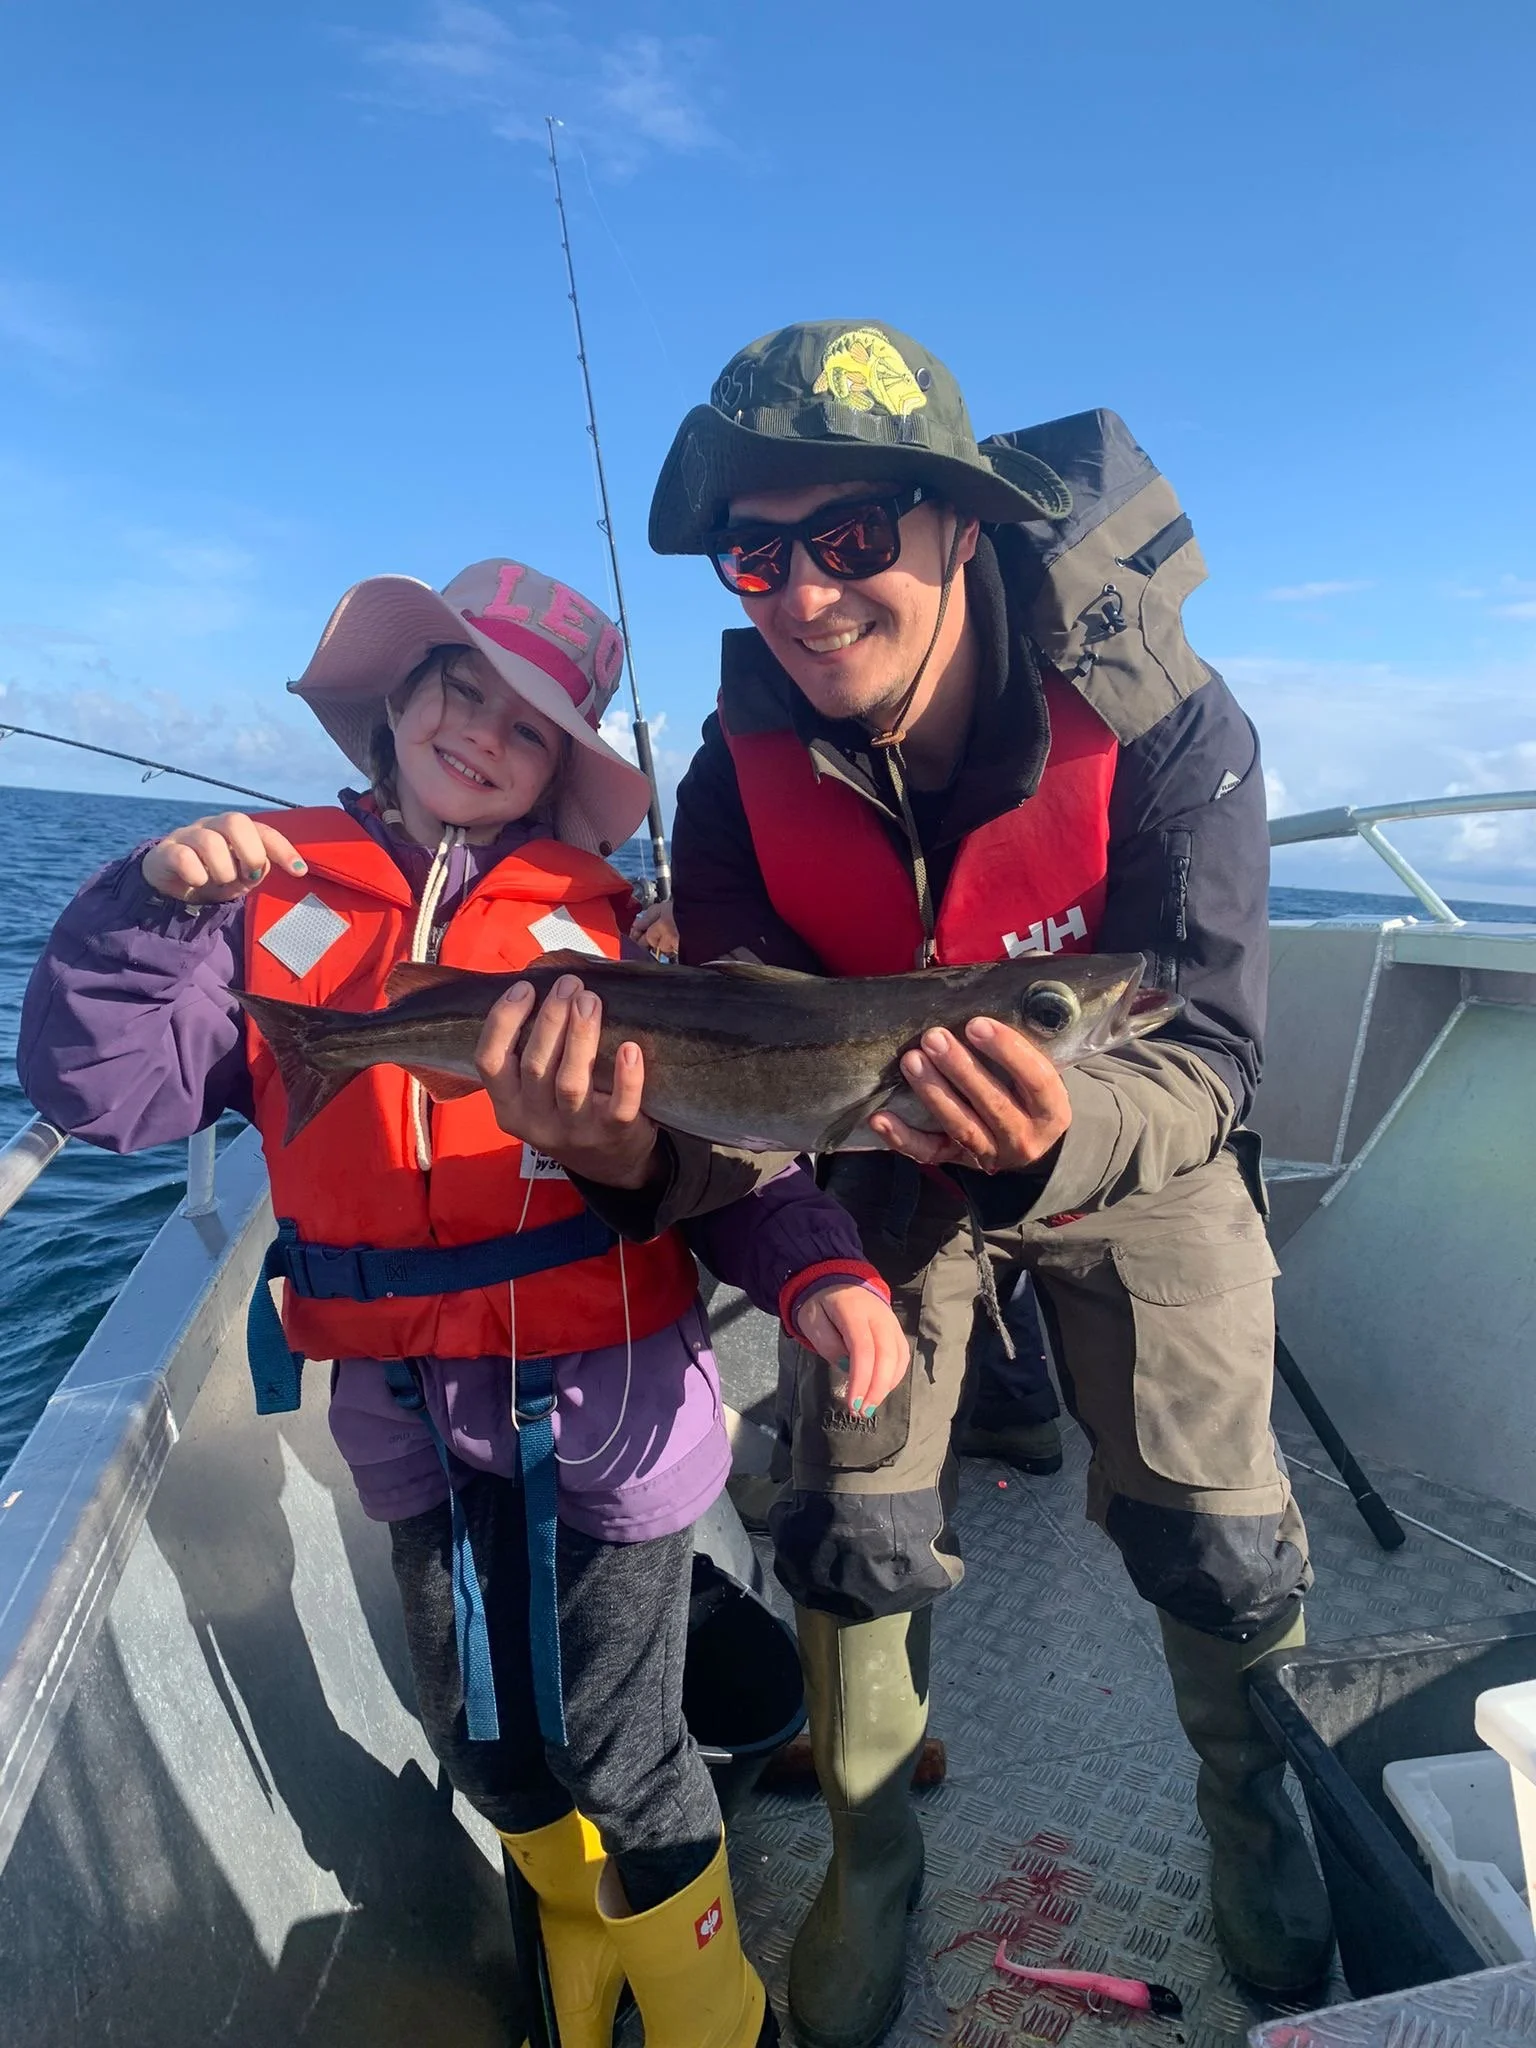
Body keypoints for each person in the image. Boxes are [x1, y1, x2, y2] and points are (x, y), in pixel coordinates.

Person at [17, 556, 914, 2048]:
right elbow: (104, 1089)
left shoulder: (620, 929)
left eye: (532, 723)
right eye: (458, 688)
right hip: (403, 1417)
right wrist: (145, 914)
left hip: (606, 1415)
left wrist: (821, 1266)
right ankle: (577, 1955)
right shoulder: (268, 898)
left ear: (564, 767)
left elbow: (735, 1145)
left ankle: (713, 2017)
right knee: (488, 1744)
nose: (485, 732)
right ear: (393, 701)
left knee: (624, 1748)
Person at [637, 323, 1331, 2045]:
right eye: (759, 551)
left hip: (1120, 1129)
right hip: (878, 1152)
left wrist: (1059, 1135)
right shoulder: (733, 779)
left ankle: (1254, 1802)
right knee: (848, 1520)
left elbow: (1216, 1045)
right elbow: (741, 1071)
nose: (803, 594)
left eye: (854, 536)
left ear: (961, 527)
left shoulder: (1167, 721)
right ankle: (873, 1867)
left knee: (1216, 1530)